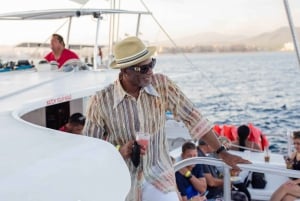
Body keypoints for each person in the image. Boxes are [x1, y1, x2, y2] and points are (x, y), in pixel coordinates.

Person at [82, 36, 250, 201]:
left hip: (159, 174)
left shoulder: (161, 85)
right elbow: (91, 147)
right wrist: (120, 151)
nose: (151, 71)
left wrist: (222, 153)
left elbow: (194, 118)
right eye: (144, 68)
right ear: (125, 70)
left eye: (151, 64)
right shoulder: (101, 101)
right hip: (122, 179)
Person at [270, 131, 300, 201]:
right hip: (296, 185)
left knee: (285, 187)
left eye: (298, 143)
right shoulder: (294, 154)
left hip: (296, 184)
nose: (295, 146)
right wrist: (288, 164)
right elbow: (290, 170)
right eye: (294, 143)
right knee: (286, 199)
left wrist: (295, 182)